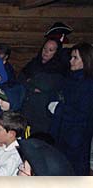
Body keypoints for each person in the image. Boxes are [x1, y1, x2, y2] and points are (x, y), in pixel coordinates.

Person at [48, 42, 93, 175]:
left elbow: (82, 114)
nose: (71, 61)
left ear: (85, 61)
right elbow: (56, 96)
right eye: (71, 57)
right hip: (60, 133)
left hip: (76, 139)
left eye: (75, 58)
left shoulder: (88, 85)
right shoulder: (68, 78)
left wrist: (58, 108)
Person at [18, 39, 68, 135]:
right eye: (45, 48)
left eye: (50, 50)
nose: (45, 52)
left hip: (43, 115)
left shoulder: (58, 68)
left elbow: (45, 85)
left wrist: (30, 80)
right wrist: (32, 87)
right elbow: (20, 79)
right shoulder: (33, 64)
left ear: (56, 52)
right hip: (27, 110)